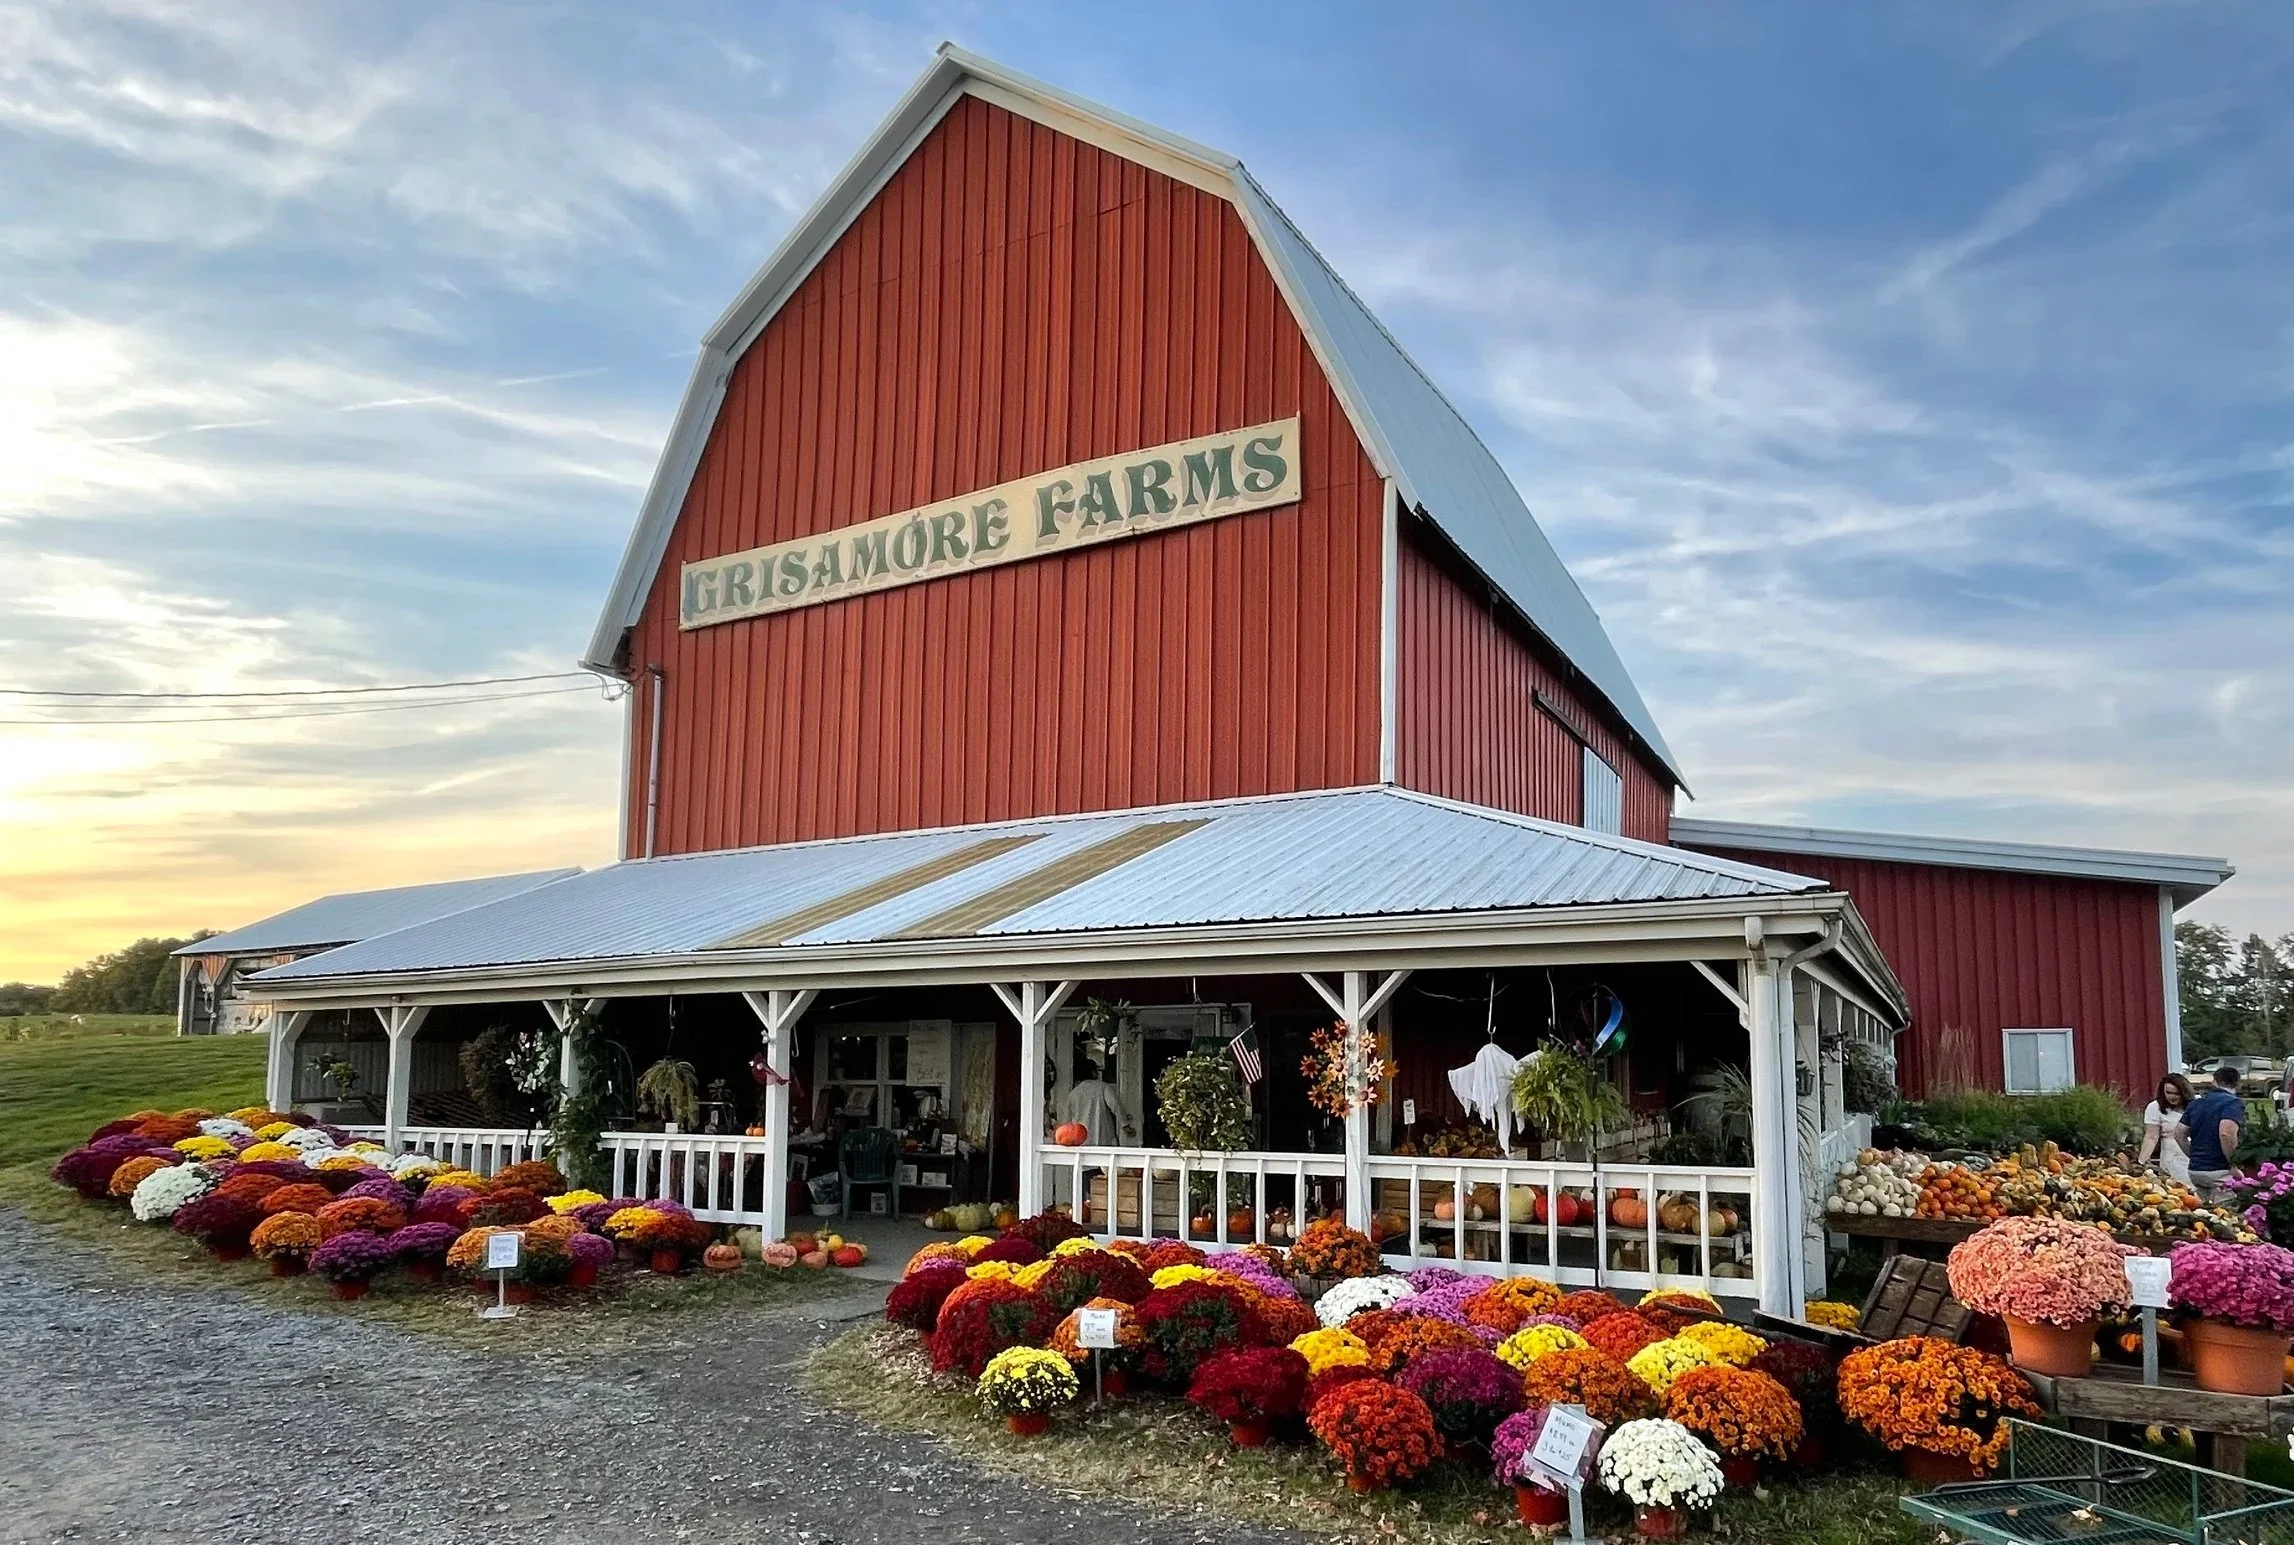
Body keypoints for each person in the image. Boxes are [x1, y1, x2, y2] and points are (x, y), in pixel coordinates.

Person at [2184, 1064, 2247, 1203]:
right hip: (2220, 1171)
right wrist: (2233, 1165)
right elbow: (2226, 1133)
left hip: (2195, 1171)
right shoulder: (2233, 1103)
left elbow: (2179, 1133)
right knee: (2227, 1216)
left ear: (2215, 1082)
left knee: (2203, 1216)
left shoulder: (2197, 1103)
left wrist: (2193, 1154)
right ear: (2237, 1083)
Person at [2139, 1073, 2195, 1185]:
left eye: (2177, 1093)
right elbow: (2151, 1137)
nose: (2172, 1097)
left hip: (2195, 1150)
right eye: (2168, 1093)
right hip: (2172, 1154)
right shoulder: (2155, 1107)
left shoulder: (2195, 1105)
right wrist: (2142, 1161)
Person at [1060, 1058, 1129, 1147]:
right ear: (1093, 1072)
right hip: (1103, 1139)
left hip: (1081, 1141)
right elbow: (1115, 1105)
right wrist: (1125, 1124)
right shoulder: (1103, 1088)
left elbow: (1066, 1121)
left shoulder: (1073, 1094)